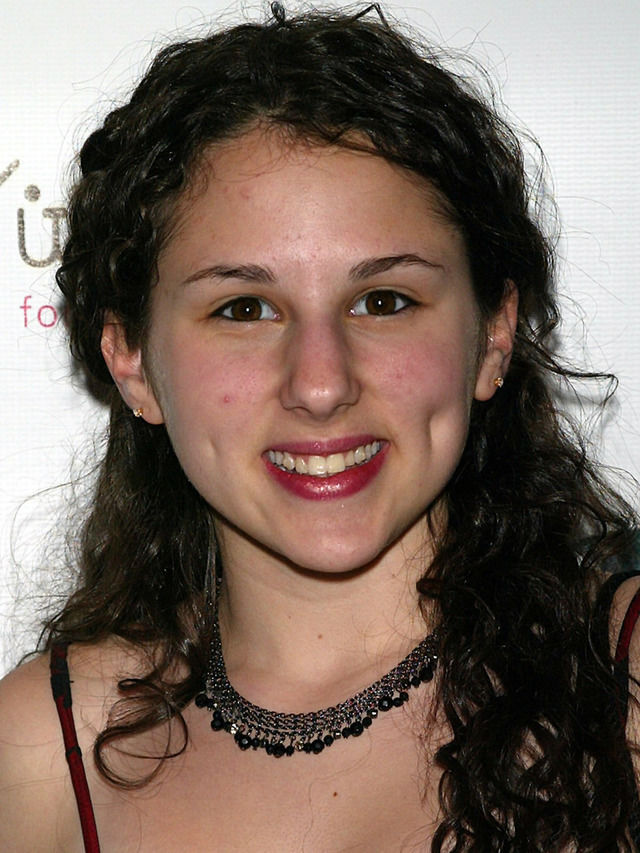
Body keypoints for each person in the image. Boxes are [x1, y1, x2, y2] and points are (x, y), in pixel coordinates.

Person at [0, 4, 638, 850]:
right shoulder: (45, 752)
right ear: (132, 362)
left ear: (493, 334)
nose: (322, 383)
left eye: (384, 300)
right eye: (244, 308)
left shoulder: (623, 682)